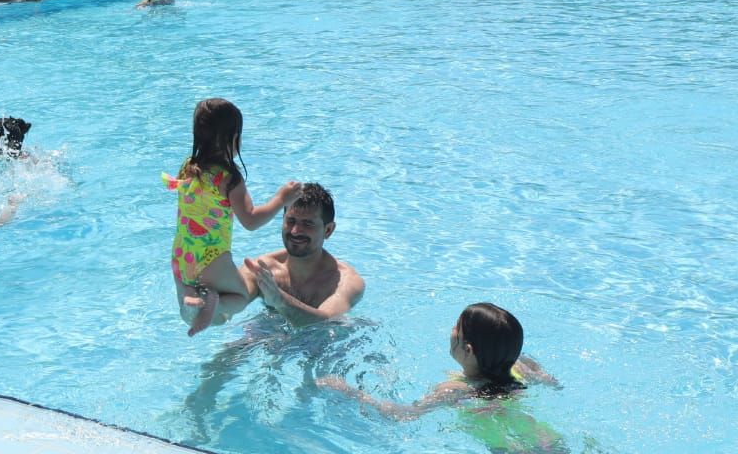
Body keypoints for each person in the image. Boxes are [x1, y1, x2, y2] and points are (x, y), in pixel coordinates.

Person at [166, 98, 299, 336]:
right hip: (213, 257)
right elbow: (250, 220)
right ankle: (211, 302)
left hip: (182, 254)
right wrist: (281, 199)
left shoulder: (188, 167)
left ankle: (189, 295)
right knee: (238, 298)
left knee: (187, 301)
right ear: (233, 138)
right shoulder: (229, 179)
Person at [317, 303, 557, 420]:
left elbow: (403, 414)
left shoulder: (455, 389)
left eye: (457, 328)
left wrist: (348, 392)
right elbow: (550, 381)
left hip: (505, 449)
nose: (451, 331)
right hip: (544, 438)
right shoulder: (521, 366)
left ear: (469, 350)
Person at [241, 182, 365, 328]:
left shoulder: (346, 281)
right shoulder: (263, 270)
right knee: (231, 349)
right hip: (271, 330)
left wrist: (279, 299)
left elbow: (326, 322)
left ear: (328, 230)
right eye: (291, 221)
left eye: (307, 224)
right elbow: (229, 299)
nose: (295, 231)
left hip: (325, 342)